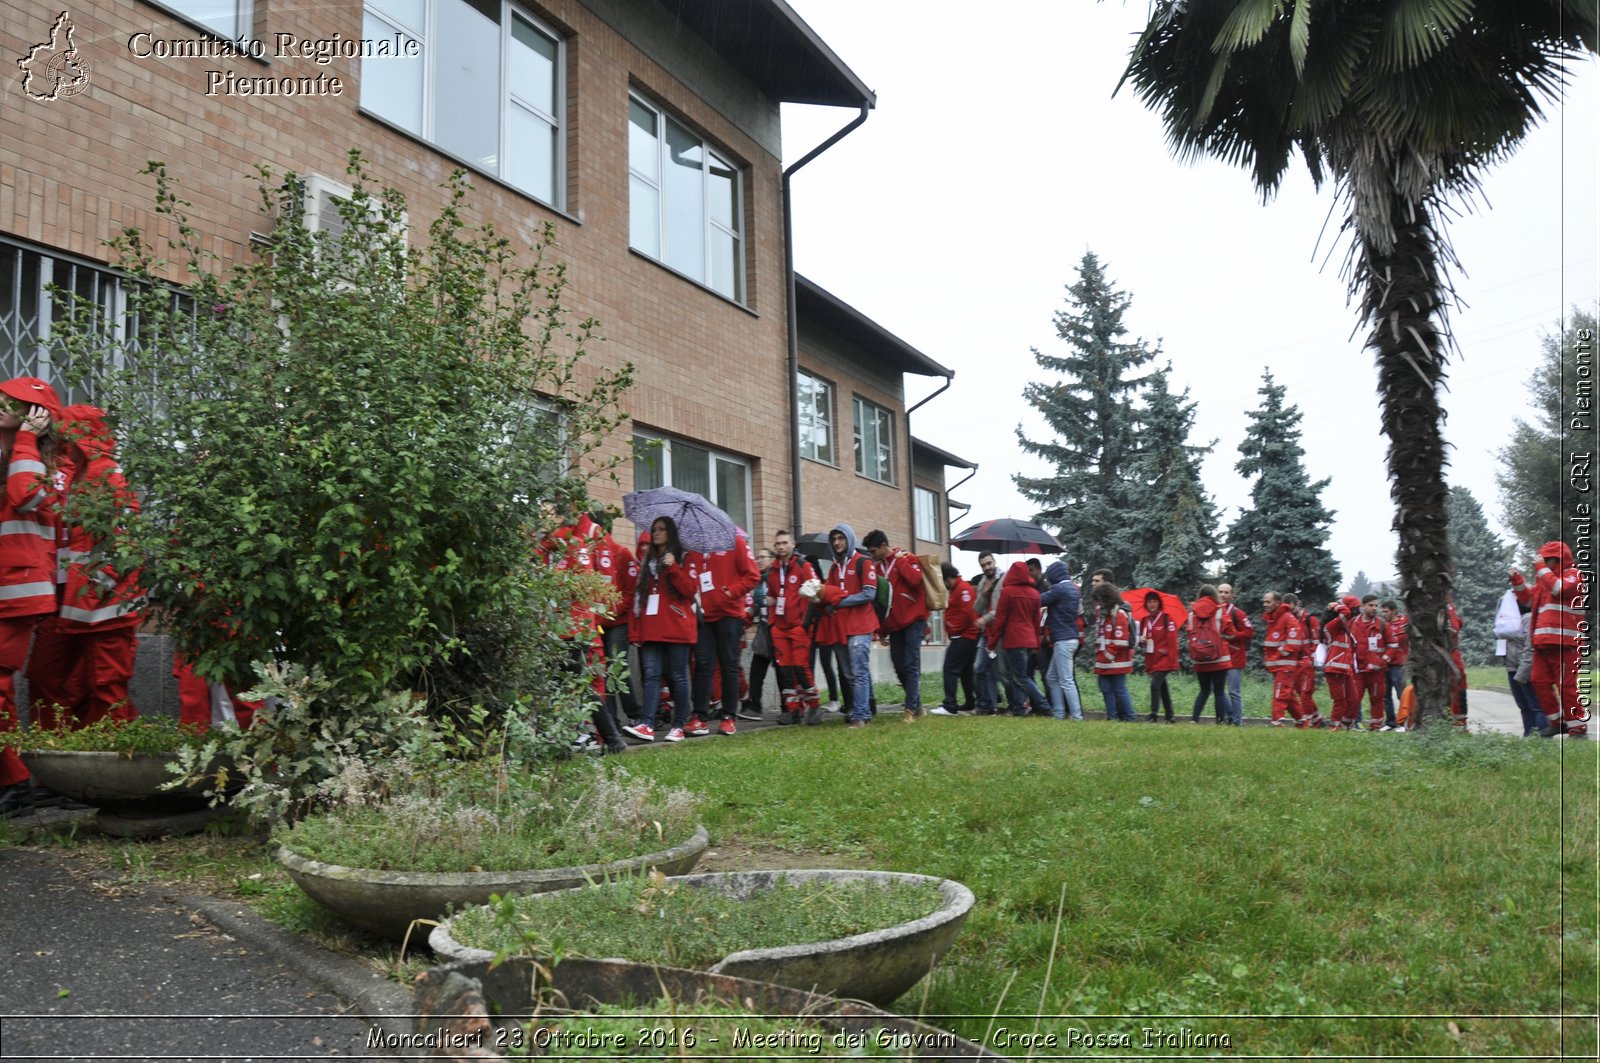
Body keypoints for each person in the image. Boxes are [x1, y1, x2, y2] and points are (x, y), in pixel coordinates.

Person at [25, 405, 144, 732]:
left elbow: (123, 542)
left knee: (104, 685)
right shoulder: (80, 472)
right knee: (61, 680)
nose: (59, 437)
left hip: (98, 606)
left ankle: (110, 764)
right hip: (74, 602)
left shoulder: (104, 474)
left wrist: (97, 587)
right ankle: (65, 755)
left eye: (64, 432)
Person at [0, 378, 67, 816]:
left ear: (35, 416)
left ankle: (16, 783)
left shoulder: (50, 467)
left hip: (17, 594)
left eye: (10, 403)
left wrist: (26, 439)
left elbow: (24, 497)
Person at [544, 512, 627, 755]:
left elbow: (583, 584)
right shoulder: (545, 549)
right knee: (572, 685)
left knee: (572, 685)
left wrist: (552, 581)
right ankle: (610, 740)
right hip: (554, 630)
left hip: (574, 628)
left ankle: (602, 740)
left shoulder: (575, 544)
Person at [624, 516, 698, 743]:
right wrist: (635, 631)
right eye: (654, 529)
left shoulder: (684, 557)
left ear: (671, 533)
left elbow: (690, 590)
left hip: (676, 626)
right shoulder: (648, 561)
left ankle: (678, 726)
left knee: (678, 677)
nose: (655, 533)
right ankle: (647, 723)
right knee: (651, 676)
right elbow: (639, 598)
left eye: (661, 529)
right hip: (651, 628)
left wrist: (673, 566)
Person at [684, 531, 760, 737]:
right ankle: (700, 716)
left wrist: (731, 591)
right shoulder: (693, 549)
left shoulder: (735, 542)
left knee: (729, 666)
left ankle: (729, 717)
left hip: (729, 615)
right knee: (702, 665)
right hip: (704, 617)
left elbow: (753, 575)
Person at [1511, 541, 1588, 738]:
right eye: (1542, 560)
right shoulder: (1545, 581)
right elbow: (1528, 599)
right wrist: (1517, 580)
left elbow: (1559, 589)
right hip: (1542, 644)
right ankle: (1557, 722)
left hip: (1565, 645)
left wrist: (1541, 568)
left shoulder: (1574, 575)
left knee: (1567, 687)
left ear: (1559, 559)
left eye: (1547, 560)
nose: (1544, 563)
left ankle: (1577, 727)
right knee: (1538, 681)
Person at [815, 523, 878, 728]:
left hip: (860, 625)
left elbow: (869, 593)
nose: (837, 542)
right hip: (841, 627)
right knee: (850, 673)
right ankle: (865, 710)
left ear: (849, 539)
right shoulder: (834, 567)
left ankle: (860, 715)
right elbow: (830, 594)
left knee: (858, 672)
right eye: (834, 539)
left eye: (841, 538)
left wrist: (841, 602)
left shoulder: (864, 562)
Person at [863, 529, 928, 720]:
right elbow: (881, 602)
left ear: (884, 546)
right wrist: (881, 630)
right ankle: (917, 705)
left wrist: (900, 561)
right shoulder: (877, 569)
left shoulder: (907, 557)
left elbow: (916, 581)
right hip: (894, 624)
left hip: (915, 620)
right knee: (899, 665)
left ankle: (909, 709)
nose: (871, 556)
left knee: (910, 663)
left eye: (873, 551)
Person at [588, 511, 639, 735]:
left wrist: (612, 612)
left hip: (617, 622)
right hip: (597, 622)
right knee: (602, 670)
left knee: (617, 668)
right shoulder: (588, 555)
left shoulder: (622, 553)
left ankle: (636, 715)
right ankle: (611, 723)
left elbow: (630, 590)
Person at [765, 531, 822, 726]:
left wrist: (805, 624)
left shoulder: (803, 566)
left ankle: (814, 705)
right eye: (777, 544)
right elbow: (771, 598)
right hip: (779, 627)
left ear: (792, 544)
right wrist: (772, 623)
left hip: (799, 625)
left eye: (784, 543)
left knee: (800, 666)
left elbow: (816, 592)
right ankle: (792, 709)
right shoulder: (773, 571)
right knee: (785, 669)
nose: (780, 547)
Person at [987, 560, 1050, 717]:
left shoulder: (1007, 592)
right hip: (1029, 640)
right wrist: (1036, 641)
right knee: (1018, 675)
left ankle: (1043, 705)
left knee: (1020, 677)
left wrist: (992, 642)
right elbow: (1037, 620)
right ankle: (1019, 708)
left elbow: (1000, 619)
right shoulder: (1035, 593)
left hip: (1014, 639)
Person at [1040, 562, 1083, 720]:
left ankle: (1077, 717)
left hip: (1063, 640)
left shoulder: (1059, 589)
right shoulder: (1073, 589)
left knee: (1066, 680)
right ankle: (1058, 713)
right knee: (1052, 677)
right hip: (1071, 638)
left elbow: (1038, 600)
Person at [1187, 584, 1235, 724]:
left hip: (1200, 658)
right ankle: (1220, 720)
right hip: (1220, 657)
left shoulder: (1192, 613)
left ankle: (1194, 719)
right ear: (1215, 595)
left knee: (1204, 690)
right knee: (1219, 692)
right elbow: (1230, 633)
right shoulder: (1220, 611)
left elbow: (1190, 633)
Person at [934, 562, 977, 715]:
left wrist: (952, 627)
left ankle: (949, 705)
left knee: (950, 668)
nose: (943, 585)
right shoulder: (959, 589)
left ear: (948, 578)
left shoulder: (963, 589)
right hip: (965, 636)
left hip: (964, 637)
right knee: (965, 671)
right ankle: (970, 702)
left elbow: (966, 614)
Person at [1089, 582, 1136, 721]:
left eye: (1101, 600)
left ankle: (1129, 718)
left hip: (1116, 661)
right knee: (1105, 688)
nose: (1099, 603)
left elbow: (1120, 641)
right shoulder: (1103, 613)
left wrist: (1106, 656)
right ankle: (1112, 717)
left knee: (1119, 690)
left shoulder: (1119, 613)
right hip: (1105, 659)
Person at [1260, 590, 1308, 726]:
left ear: (1277, 603)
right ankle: (1302, 722)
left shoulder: (1288, 618)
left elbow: (1293, 644)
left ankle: (1277, 722)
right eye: (1264, 601)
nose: (1265, 604)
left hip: (1285, 665)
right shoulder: (1272, 618)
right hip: (1277, 664)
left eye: (1268, 602)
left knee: (1280, 693)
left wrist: (1276, 656)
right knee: (1289, 697)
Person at [740, 545, 776, 720]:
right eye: (757, 557)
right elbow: (756, 605)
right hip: (763, 631)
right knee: (756, 670)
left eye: (763, 557)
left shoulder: (776, 578)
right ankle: (754, 705)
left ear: (772, 559)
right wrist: (746, 619)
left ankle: (790, 707)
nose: (759, 560)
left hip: (778, 630)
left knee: (785, 671)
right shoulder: (758, 581)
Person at [1348, 594, 1390, 731]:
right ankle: (1352, 723)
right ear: (1362, 606)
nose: (1374, 608)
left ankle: (1376, 725)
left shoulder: (1383, 625)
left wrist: (1382, 661)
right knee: (1354, 698)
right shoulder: (1352, 624)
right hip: (1357, 670)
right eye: (1371, 605)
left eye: (1376, 605)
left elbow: (1393, 646)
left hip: (1376, 671)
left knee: (1377, 699)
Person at [1283, 593, 1324, 728]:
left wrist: (1312, 658)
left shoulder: (1309, 620)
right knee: (1300, 692)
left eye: (1290, 608)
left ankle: (1307, 721)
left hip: (1307, 662)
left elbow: (1316, 640)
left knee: (1306, 693)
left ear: (1297, 604)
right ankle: (1317, 718)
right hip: (1294, 662)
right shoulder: (1287, 620)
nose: (1288, 612)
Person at [1503, 601, 1544, 737]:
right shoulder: (1511, 621)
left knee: (1535, 705)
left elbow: (1529, 649)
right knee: (1523, 706)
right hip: (1512, 668)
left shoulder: (1528, 618)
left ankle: (1542, 737)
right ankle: (1528, 736)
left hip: (1525, 669)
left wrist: (1522, 673)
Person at [1138, 592, 1179, 723]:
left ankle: (1153, 714)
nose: (1152, 604)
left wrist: (1172, 662)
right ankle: (1170, 716)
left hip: (1164, 659)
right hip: (1152, 659)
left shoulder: (1167, 618)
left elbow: (1173, 642)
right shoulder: (1144, 621)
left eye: (1154, 601)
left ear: (1159, 603)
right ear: (1146, 604)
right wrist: (1141, 640)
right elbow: (1141, 643)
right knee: (1162, 687)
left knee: (1155, 685)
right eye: (1149, 602)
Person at [971, 552, 1005, 715]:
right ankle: (987, 704)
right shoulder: (983, 581)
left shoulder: (1004, 579)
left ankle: (1009, 704)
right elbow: (977, 608)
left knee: (1001, 672)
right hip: (986, 633)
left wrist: (986, 618)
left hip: (1000, 631)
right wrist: (984, 592)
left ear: (994, 562)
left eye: (988, 563)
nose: (987, 567)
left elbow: (1001, 610)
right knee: (979, 667)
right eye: (983, 565)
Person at [1321, 597, 1362, 730]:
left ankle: (1344, 726)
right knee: (1340, 702)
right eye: (1354, 609)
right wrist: (1335, 605)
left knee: (1354, 701)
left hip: (1346, 670)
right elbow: (1346, 613)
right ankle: (1334, 727)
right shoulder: (1331, 627)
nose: (1355, 613)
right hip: (1334, 670)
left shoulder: (1345, 631)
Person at [1216, 583, 1254, 727]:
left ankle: (1238, 720)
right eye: (1220, 592)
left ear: (1232, 595)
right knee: (1218, 689)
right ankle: (1231, 716)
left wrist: (1233, 636)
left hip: (1234, 657)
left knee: (1233, 691)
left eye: (1226, 592)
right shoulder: (1214, 611)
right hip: (1219, 657)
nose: (1223, 595)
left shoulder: (1237, 613)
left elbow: (1249, 632)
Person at [1380, 598, 1408, 729]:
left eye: (1386, 612)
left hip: (1399, 664)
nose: (1384, 614)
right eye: (1383, 612)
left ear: (1394, 611)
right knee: (1385, 695)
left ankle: (1403, 722)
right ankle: (1390, 722)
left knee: (1401, 693)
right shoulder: (1382, 625)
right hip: (1385, 665)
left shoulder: (1404, 624)